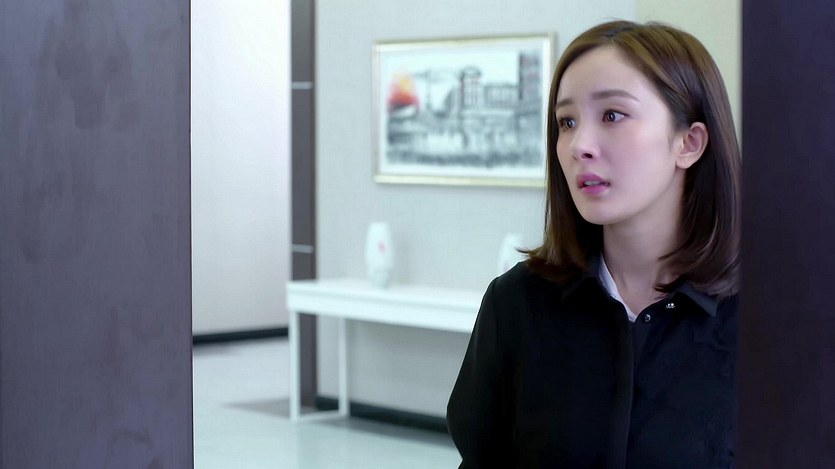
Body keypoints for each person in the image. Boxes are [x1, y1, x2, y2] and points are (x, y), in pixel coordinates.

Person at [447, 20, 740, 468]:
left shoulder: (773, 318)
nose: (578, 145)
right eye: (567, 121)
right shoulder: (516, 304)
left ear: (689, 142)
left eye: (612, 115)